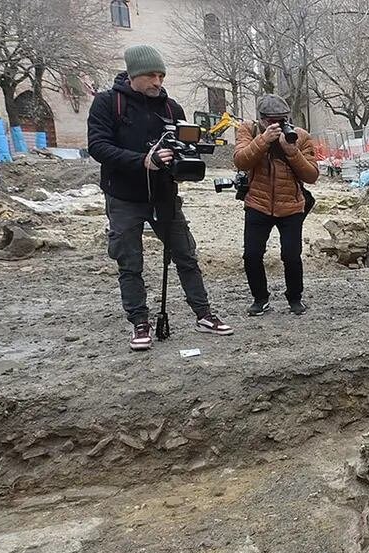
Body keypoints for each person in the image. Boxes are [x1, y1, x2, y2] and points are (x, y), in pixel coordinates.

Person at [87, 45, 232, 352]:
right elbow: (98, 147)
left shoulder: (171, 109)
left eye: (161, 75)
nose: (157, 82)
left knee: (186, 256)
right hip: (124, 196)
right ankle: (140, 322)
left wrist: (181, 162)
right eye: (151, 75)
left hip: (165, 196)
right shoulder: (107, 104)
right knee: (130, 261)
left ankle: (203, 314)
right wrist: (144, 160)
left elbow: (184, 148)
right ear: (133, 75)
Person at [233, 94, 320, 316]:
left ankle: (295, 298)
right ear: (260, 119)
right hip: (258, 203)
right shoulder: (248, 130)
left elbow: (312, 175)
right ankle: (260, 299)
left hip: (291, 205)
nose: (276, 125)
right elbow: (240, 160)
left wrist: (292, 152)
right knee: (252, 255)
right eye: (270, 120)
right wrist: (263, 140)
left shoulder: (300, 137)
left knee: (291, 256)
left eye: (281, 120)